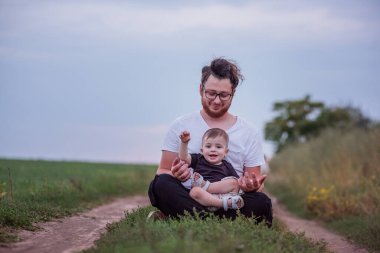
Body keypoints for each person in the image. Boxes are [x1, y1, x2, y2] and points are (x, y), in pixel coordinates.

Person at [148, 57, 272, 225]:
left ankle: (186, 218)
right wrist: (176, 174)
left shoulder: (249, 132)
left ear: (233, 93)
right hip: (192, 196)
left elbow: (256, 184)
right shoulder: (180, 125)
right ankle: (218, 222)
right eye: (211, 93)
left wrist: (250, 186)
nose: (216, 101)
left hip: (230, 201)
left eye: (223, 95)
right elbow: (163, 170)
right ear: (201, 89)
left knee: (261, 201)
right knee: (160, 184)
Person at [179, 128, 244, 211]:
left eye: (218, 147)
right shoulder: (198, 159)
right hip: (204, 198)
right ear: (202, 150)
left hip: (222, 195)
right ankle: (224, 204)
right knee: (194, 191)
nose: (213, 149)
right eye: (208, 146)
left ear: (226, 152)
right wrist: (184, 143)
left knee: (235, 182)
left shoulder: (227, 165)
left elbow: (236, 185)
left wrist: (243, 182)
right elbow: (184, 158)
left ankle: (205, 185)